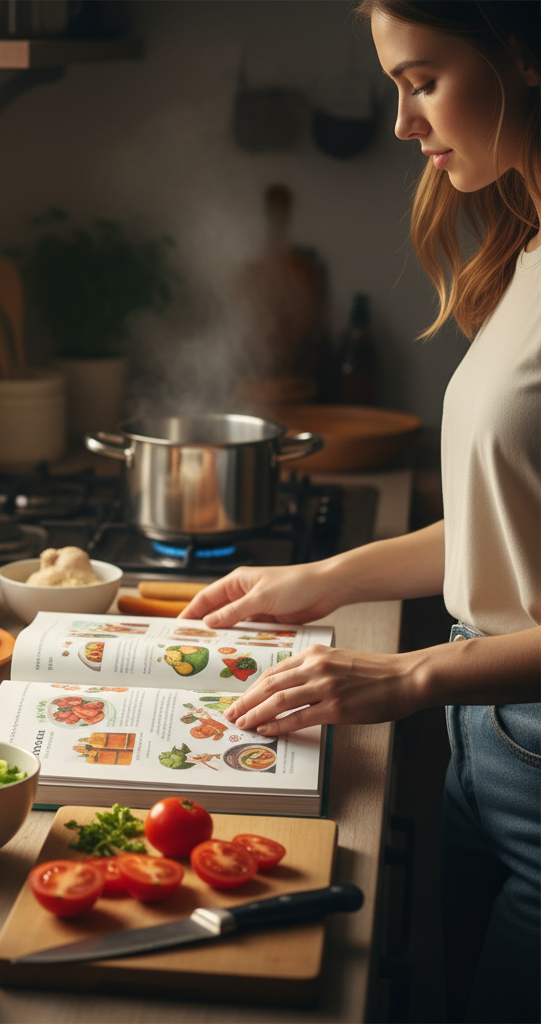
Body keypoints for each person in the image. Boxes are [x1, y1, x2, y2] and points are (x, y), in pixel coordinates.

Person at [181, 3, 540, 1021]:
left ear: (521, 55)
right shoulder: (527, 250)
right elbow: (510, 527)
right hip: (486, 739)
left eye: (420, 81)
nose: (400, 122)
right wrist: (323, 580)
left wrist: (407, 671)